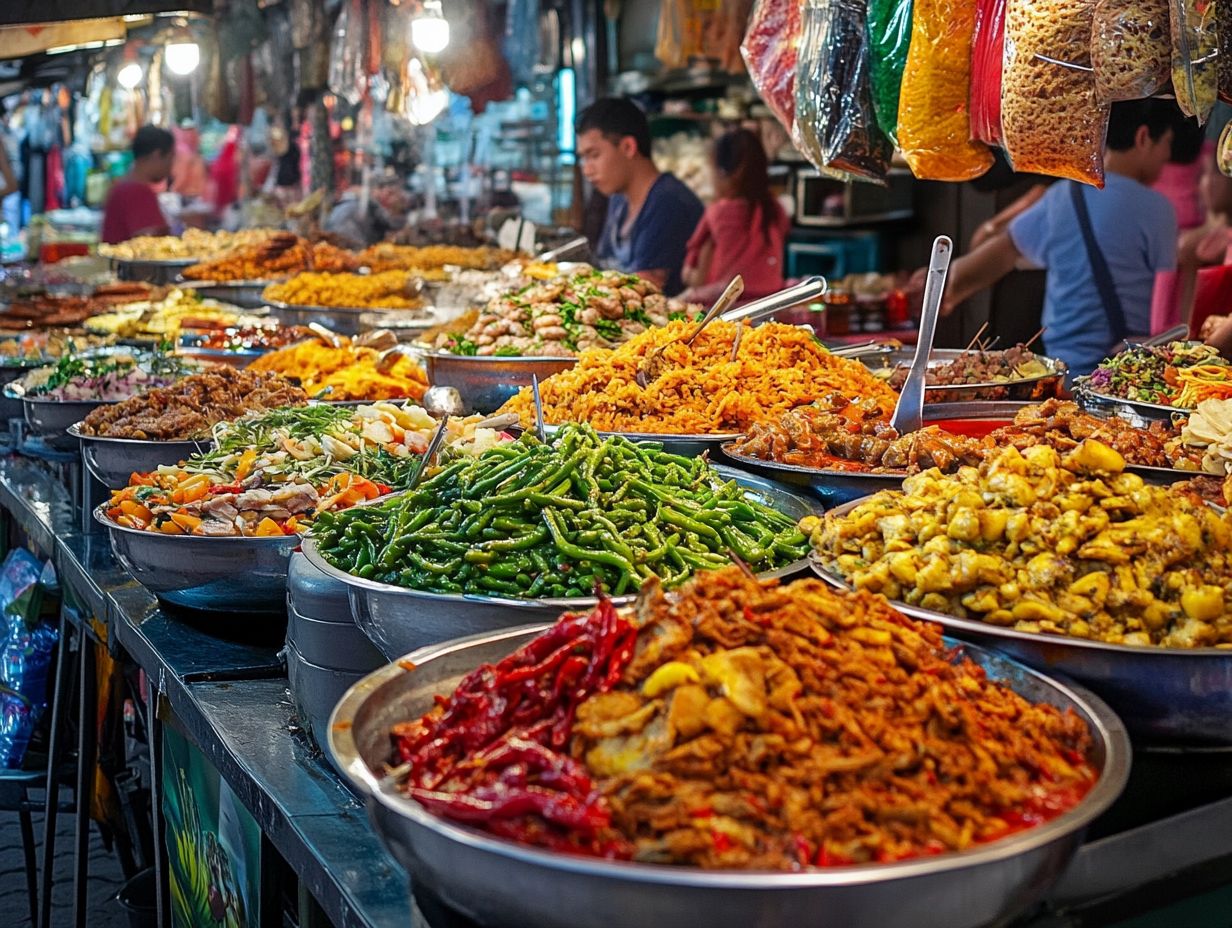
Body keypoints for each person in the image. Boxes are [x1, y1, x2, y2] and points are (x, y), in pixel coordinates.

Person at [935, 98, 1179, 378]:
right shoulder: (1158, 209)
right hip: (1124, 370)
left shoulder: (1063, 197)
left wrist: (946, 289)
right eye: (1167, 144)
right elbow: (1167, 303)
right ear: (1144, 138)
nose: (1166, 156)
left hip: (1061, 370)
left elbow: (1000, 253)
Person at [577, 98, 703, 295]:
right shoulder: (619, 197)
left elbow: (644, 291)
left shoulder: (668, 203)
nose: (587, 170)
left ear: (628, 147)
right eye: (583, 158)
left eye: (594, 155)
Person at [680, 128, 789, 303]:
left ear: (724, 173)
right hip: (770, 304)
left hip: (724, 309)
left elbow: (691, 277)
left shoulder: (718, 212)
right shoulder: (777, 210)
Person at [100, 126, 174, 244]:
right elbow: (149, 243)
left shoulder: (123, 186)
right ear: (157, 155)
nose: (171, 167)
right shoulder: (137, 192)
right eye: (170, 158)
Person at [323, 174, 410, 248]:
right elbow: (393, 223)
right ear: (382, 190)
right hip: (348, 249)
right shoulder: (365, 206)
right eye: (392, 193)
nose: (394, 199)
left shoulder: (361, 203)